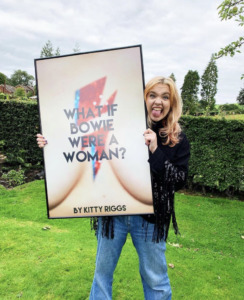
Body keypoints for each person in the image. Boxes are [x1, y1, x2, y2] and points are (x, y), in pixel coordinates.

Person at [36, 76, 190, 300]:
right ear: (143, 98)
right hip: (113, 213)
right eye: (153, 95)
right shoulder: (118, 125)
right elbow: (83, 144)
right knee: (102, 275)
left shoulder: (177, 138)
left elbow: (179, 180)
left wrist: (156, 150)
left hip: (151, 220)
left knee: (156, 280)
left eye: (165, 97)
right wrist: (53, 142)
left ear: (172, 102)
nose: (158, 101)